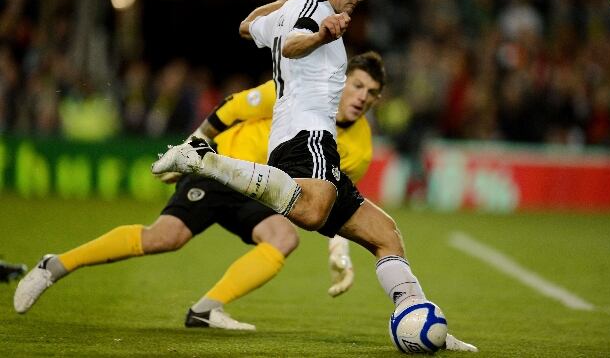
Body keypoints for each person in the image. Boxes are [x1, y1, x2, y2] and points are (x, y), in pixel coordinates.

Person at [151, 0, 477, 352]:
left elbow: (247, 27)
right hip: (308, 135)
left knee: (385, 234)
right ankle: (206, 161)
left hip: (296, 139)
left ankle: (421, 319)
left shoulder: (292, 8)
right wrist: (322, 33)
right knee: (311, 210)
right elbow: (293, 45)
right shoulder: (318, 13)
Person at [12, 50, 385, 332]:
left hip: (259, 191)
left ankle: (206, 310)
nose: (361, 97)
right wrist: (189, 151)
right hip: (219, 168)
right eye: (357, 85)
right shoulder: (297, 92)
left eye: (371, 93)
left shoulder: (361, 148)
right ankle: (55, 265)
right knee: (165, 238)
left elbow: (331, 198)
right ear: (340, 80)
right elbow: (230, 109)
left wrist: (340, 250)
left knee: (283, 237)